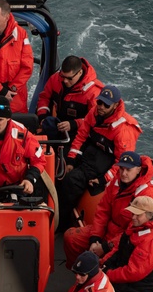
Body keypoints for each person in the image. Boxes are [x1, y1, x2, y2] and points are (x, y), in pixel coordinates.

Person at [57, 85, 142, 231]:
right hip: (92, 151)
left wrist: (103, 179)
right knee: (62, 165)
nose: (101, 107)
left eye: (106, 104)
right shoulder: (95, 113)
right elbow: (81, 136)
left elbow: (121, 163)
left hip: (104, 163)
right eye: (99, 102)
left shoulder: (123, 131)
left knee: (71, 181)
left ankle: (60, 224)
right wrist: (71, 159)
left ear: (115, 105)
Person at [62, 151, 153, 267]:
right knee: (71, 238)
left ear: (138, 170)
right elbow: (103, 211)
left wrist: (105, 247)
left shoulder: (148, 196)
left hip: (125, 240)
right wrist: (95, 238)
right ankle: (79, 272)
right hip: (108, 231)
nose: (123, 173)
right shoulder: (117, 182)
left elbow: (134, 232)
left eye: (128, 170)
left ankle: (94, 276)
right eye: (121, 169)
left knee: (106, 264)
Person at [102, 195, 153, 292]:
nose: (133, 217)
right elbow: (120, 249)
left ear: (149, 215)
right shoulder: (138, 225)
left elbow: (133, 273)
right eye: (132, 213)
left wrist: (108, 274)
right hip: (124, 268)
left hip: (139, 283)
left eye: (138, 214)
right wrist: (104, 263)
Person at [35, 55, 103, 144]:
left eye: (69, 78)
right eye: (63, 76)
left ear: (80, 73)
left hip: (79, 132)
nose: (65, 81)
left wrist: (74, 124)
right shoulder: (55, 79)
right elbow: (44, 98)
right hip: (57, 125)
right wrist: (43, 116)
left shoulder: (94, 92)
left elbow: (97, 120)